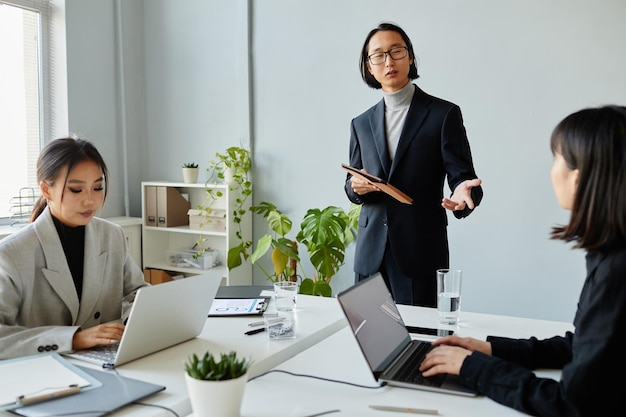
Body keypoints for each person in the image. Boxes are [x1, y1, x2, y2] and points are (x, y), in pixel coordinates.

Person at [419, 105, 626, 416]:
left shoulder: (617, 272)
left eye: (556, 158)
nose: (552, 170)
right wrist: (489, 349)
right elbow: (585, 346)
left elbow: (569, 403)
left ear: (579, 177)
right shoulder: (611, 252)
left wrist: (473, 369)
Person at [344, 22, 483, 307]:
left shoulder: (443, 114)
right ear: (369, 67)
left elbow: (464, 179)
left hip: (420, 249)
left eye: (396, 51)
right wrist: (355, 186)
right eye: (378, 56)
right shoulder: (360, 123)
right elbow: (351, 187)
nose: (388, 61)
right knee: (372, 339)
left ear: (410, 57)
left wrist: (463, 195)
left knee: (420, 341)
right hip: (370, 253)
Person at [0, 137, 147, 360]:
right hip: (46, 372)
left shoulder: (112, 235)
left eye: (98, 187)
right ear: (46, 190)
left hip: (110, 360)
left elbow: (137, 293)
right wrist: (73, 339)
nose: (91, 200)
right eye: (76, 190)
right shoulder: (11, 254)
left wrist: (138, 318)